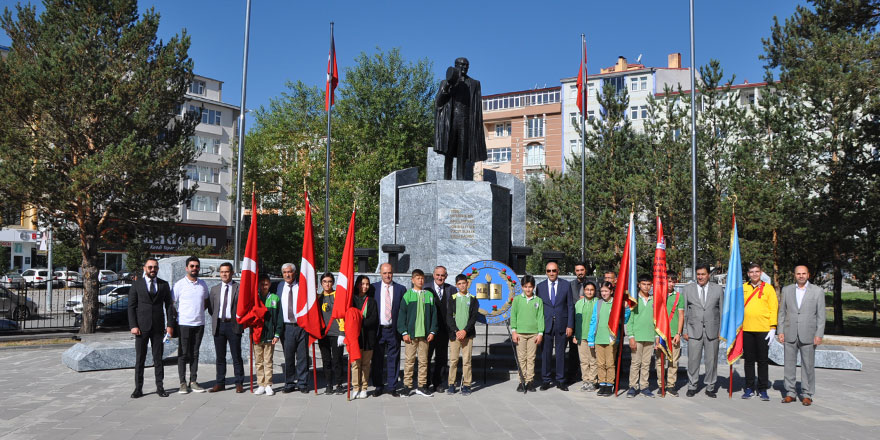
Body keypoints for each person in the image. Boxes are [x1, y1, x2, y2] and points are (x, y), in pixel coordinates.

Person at [127, 258, 175, 398]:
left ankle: (160, 387)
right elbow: (131, 307)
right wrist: (133, 325)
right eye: (150, 267)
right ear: (144, 268)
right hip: (141, 327)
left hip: (158, 327)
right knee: (140, 359)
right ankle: (138, 389)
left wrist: (170, 325)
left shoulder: (163, 285)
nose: (153, 269)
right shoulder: (137, 285)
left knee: (158, 358)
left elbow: (169, 306)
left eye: (155, 267)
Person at [778, 265, 825, 406]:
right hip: (789, 332)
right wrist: (780, 331)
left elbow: (821, 315)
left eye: (803, 273)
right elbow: (782, 312)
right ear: (794, 275)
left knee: (808, 365)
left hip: (809, 334)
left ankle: (807, 394)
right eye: (798, 273)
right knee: (789, 364)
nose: (801, 276)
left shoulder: (817, 291)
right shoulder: (787, 290)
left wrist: (819, 334)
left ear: (808, 275)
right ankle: (790, 393)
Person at [434, 57, 487, 180]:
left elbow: (477, 106)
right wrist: (448, 85)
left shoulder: (474, 84)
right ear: (455, 66)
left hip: (466, 121)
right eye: (461, 65)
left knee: (462, 152)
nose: (464, 68)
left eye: (466, 66)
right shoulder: (445, 82)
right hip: (451, 120)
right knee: (449, 150)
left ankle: (461, 179)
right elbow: (438, 102)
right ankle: (446, 178)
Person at [682, 263, 724, 398]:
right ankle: (692, 385)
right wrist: (684, 329)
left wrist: (721, 330)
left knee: (711, 360)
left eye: (703, 274)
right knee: (693, 360)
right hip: (694, 330)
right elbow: (684, 311)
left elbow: (722, 311)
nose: (700, 277)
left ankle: (710, 386)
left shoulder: (718, 289)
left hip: (713, 330)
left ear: (708, 275)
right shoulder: (688, 289)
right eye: (698, 274)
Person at [173, 256, 211, 394]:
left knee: (195, 353)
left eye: (197, 266)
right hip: (183, 324)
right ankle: (182, 383)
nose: (194, 268)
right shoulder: (179, 285)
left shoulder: (203, 284)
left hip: (199, 324)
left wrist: (198, 312)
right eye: (192, 266)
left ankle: (193, 381)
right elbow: (171, 303)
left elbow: (206, 302)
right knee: (183, 354)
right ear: (187, 268)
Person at [741, 262, 778, 401]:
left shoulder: (768, 289)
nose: (754, 274)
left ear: (761, 273)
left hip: (763, 329)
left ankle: (762, 389)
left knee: (763, 361)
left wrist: (773, 327)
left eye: (757, 271)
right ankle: (749, 387)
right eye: (752, 272)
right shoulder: (743, 288)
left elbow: (773, 308)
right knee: (749, 361)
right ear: (748, 274)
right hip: (746, 329)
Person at [397, 269, 438, 397]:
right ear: (412, 280)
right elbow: (402, 315)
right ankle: (407, 386)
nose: (420, 280)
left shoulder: (429, 296)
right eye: (418, 278)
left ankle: (421, 385)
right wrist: (404, 332)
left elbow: (434, 315)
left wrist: (432, 330)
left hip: (425, 335)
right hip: (411, 335)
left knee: (424, 361)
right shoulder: (408, 295)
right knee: (409, 361)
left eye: (422, 278)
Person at [537, 261, 574, 391]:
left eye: (554, 270)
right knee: (546, 354)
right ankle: (546, 380)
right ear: (546, 272)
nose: (551, 273)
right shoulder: (540, 287)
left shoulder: (566, 285)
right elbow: (538, 308)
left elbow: (570, 306)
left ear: (558, 271)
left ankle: (560, 380)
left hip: (562, 325)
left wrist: (570, 325)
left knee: (560, 354)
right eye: (549, 271)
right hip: (546, 325)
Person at [208, 262, 245, 393]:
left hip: (233, 325)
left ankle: (239, 383)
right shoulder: (214, 289)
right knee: (220, 357)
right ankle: (220, 383)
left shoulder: (239, 288)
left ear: (232, 273)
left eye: (227, 271)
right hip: (219, 325)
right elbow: (211, 309)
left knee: (236, 356)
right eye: (222, 272)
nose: (224, 274)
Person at [371, 263, 406, 397]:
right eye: (385, 273)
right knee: (377, 359)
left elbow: (403, 311)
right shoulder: (374, 288)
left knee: (394, 359)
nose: (387, 275)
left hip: (393, 329)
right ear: (380, 273)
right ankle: (378, 386)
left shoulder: (400, 289)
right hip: (378, 330)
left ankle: (392, 387)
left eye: (390, 272)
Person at [588, 282, 626, 396]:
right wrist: (591, 338)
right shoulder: (598, 303)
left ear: (611, 291)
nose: (604, 293)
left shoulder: (616, 303)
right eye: (602, 291)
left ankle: (610, 384)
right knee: (600, 363)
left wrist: (627, 309)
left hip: (611, 339)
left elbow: (624, 318)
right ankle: (602, 384)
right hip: (599, 337)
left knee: (609, 363)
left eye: (606, 291)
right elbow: (593, 320)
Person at [278, 262, 310, 394]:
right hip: (286, 327)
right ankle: (289, 383)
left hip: (302, 326)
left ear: (294, 273)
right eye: (285, 272)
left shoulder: (303, 286)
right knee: (289, 357)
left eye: (289, 272)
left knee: (302, 356)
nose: (287, 274)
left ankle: (302, 383)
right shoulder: (278, 287)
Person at [446, 274, 479, 395]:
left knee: (467, 361)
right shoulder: (452, 298)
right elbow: (449, 316)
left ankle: (467, 384)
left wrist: (465, 331)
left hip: (468, 335)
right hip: (455, 335)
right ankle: (451, 383)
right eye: (459, 284)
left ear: (467, 283)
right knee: (453, 360)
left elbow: (473, 317)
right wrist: (456, 330)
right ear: (456, 285)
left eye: (463, 283)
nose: (462, 286)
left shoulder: (473, 299)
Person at [510, 275, 544, 392]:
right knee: (521, 358)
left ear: (533, 287)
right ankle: (522, 381)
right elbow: (513, 316)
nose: (528, 289)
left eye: (530, 287)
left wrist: (540, 333)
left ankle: (530, 381)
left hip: (533, 334)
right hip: (520, 334)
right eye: (525, 287)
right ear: (522, 287)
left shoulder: (538, 300)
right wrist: (514, 331)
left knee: (531, 358)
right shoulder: (517, 300)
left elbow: (540, 317)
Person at [625, 274, 657, 398]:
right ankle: (633, 386)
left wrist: (656, 337)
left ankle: (644, 386)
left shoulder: (653, 300)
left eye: (649, 284)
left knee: (646, 363)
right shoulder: (634, 300)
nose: (646, 287)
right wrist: (631, 336)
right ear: (639, 284)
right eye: (644, 284)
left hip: (649, 336)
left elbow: (656, 320)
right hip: (637, 337)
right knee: (636, 363)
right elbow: (630, 320)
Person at [426, 265, 456, 393]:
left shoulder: (452, 290)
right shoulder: (425, 288)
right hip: (429, 331)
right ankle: (425, 383)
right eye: (438, 275)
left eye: (442, 275)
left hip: (444, 331)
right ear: (433, 275)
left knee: (442, 358)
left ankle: (438, 382)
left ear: (446, 276)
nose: (440, 277)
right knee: (426, 357)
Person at [657, 270, 685, 397]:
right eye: (668, 281)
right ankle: (660, 384)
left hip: (674, 334)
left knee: (673, 361)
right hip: (661, 333)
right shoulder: (658, 295)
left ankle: (671, 385)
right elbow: (655, 316)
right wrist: (656, 336)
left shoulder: (679, 296)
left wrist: (679, 333)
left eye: (673, 281)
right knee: (660, 361)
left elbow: (681, 315)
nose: (671, 284)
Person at [253, 273, 282, 396]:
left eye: (266, 284)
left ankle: (268, 384)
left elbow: (279, 318)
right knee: (258, 361)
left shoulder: (275, 298)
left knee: (268, 360)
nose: (264, 286)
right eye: (262, 284)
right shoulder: (255, 298)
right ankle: (261, 384)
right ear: (258, 285)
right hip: (257, 335)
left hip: (270, 334)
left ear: (270, 284)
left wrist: (277, 334)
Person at [350, 275, 378, 399]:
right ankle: (355, 387)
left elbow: (373, 319)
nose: (364, 286)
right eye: (362, 284)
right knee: (356, 364)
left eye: (367, 284)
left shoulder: (371, 301)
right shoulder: (352, 300)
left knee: (366, 364)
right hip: (355, 337)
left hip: (368, 337)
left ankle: (364, 387)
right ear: (357, 285)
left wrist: (359, 322)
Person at [318, 272, 346, 395]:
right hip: (323, 335)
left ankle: (339, 384)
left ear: (333, 282)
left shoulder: (339, 296)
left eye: (329, 281)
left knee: (337, 361)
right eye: (324, 281)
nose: (327, 284)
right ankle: (329, 384)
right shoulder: (318, 298)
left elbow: (344, 314)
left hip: (337, 334)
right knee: (326, 360)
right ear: (321, 283)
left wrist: (342, 332)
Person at [573, 281, 598, 391]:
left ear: (595, 291)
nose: (589, 292)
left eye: (591, 290)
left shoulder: (598, 302)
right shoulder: (578, 303)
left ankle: (593, 381)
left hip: (593, 336)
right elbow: (575, 320)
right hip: (581, 336)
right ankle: (586, 380)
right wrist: (575, 335)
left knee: (593, 360)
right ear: (584, 290)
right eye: (587, 289)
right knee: (584, 360)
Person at [566, 261, 589, 385]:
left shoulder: (592, 284)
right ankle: (572, 375)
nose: (580, 272)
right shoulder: (570, 285)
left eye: (582, 270)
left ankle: (589, 377)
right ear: (575, 272)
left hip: (588, 322)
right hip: (575, 322)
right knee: (573, 352)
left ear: (585, 271)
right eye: (578, 270)